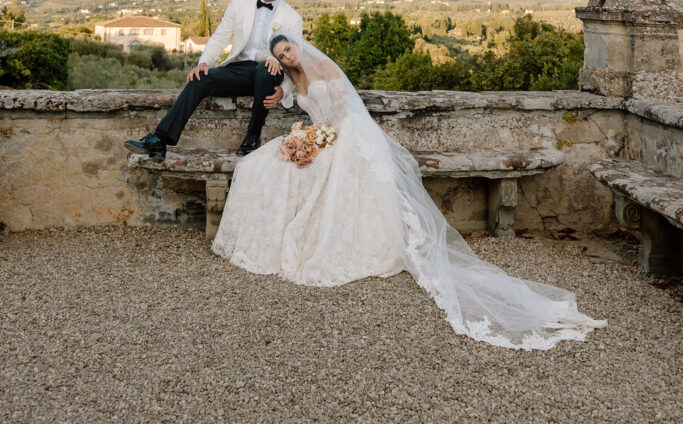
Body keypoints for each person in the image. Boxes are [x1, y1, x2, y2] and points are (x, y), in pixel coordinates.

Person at [212, 34, 607, 351]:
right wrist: (290, 109)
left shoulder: (323, 66)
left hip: (345, 136)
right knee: (264, 166)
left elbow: (343, 109)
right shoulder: (290, 79)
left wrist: (321, 136)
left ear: (299, 45)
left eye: (289, 49)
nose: (289, 56)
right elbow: (295, 104)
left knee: (316, 176)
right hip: (322, 138)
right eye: (282, 54)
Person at [124, 0, 303, 160]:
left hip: (269, 75)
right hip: (239, 71)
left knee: (267, 69)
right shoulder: (239, 3)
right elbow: (219, 38)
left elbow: (297, 61)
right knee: (199, 79)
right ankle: (159, 140)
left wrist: (285, 89)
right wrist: (203, 63)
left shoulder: (292, 18)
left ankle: (253, 137)